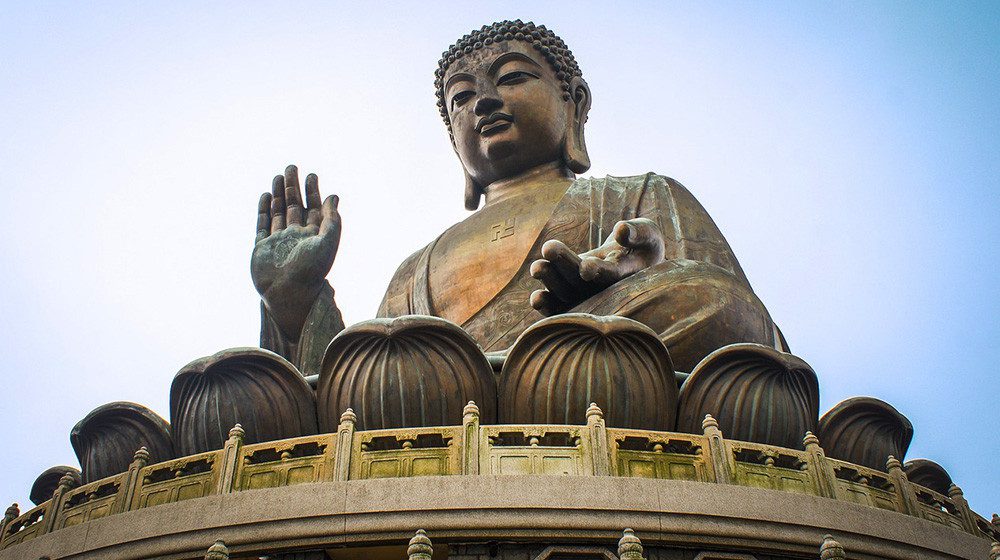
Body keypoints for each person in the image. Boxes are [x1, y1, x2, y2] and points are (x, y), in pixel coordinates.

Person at [251, 21, 785, 377]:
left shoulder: (640, 195)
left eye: (511, 78)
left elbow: (750, 329)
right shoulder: (415, 270)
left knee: (712, 301)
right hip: (444, 406)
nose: (483, 101)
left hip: (590, 377)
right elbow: (352, 385)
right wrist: (295, 300)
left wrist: (635, 281)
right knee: (373, 372)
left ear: (573, 104)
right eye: (461, 97)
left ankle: (549, 360)